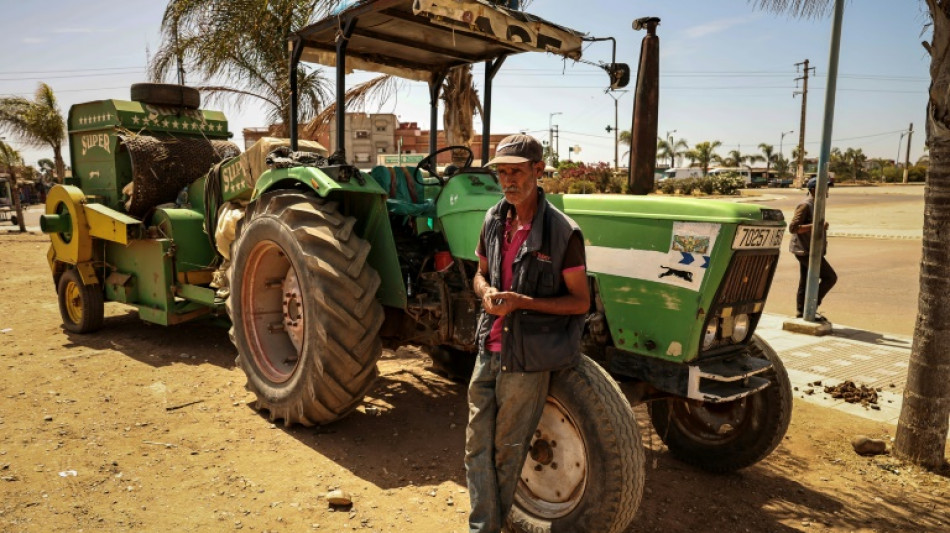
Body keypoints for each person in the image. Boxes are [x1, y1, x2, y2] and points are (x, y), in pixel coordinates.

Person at [465, 134, 589, 533]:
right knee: (475, 446)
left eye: (515, 171)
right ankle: (484, 527)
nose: (507, 180)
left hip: (527, 359)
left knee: (507, 452)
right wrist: (486, 292)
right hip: (489, 347)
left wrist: (525, 302)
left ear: (538, 171)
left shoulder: (562, 233)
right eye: (502, 172)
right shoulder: (493, 219)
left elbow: (580, 302)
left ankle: (489, 527)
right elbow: (479, 273)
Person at [789, 177, 837, 321]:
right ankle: (811, 307)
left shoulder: (817, 203)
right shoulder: (805, 205)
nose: (827, 191)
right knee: (830, 277)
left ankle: (801, 311)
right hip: (804, 250)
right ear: (814, 190)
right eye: (824, 188)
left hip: (810, 249)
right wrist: (816, 225)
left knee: (805, 280)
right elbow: (793, 228)